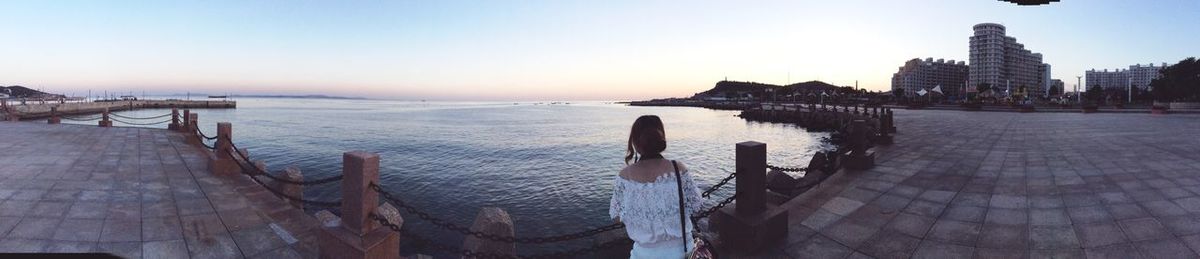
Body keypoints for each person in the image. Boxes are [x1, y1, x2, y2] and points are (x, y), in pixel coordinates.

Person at [609, 115, 704, 258]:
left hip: (644, 254)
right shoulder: (678, 168)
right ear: (661, 137)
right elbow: (696, 205)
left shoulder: (625, 176)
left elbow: (616, 216)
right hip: (683, 252)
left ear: (635, 142)